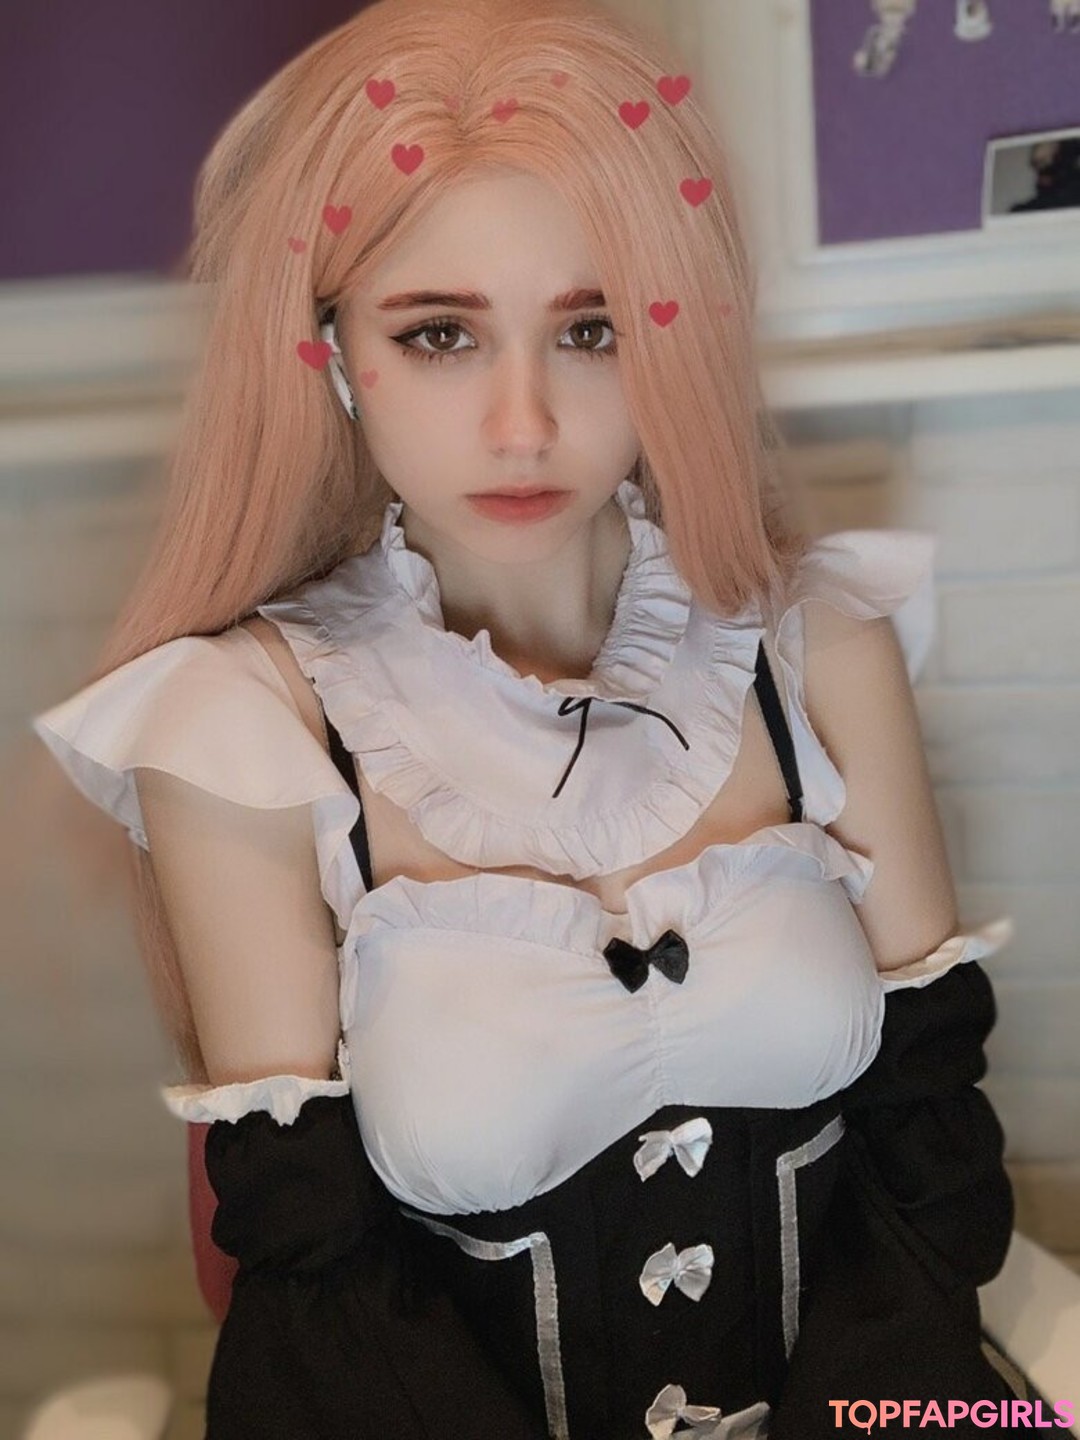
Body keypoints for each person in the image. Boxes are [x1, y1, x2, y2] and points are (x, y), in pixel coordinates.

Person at [31, 0, 1023, 1435]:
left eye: (592, 329)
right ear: (329, 348)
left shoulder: (818, 642)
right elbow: (320, 1289)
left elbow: (934, 1163)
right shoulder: (239, 728)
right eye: (439, 333)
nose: (522, 422)